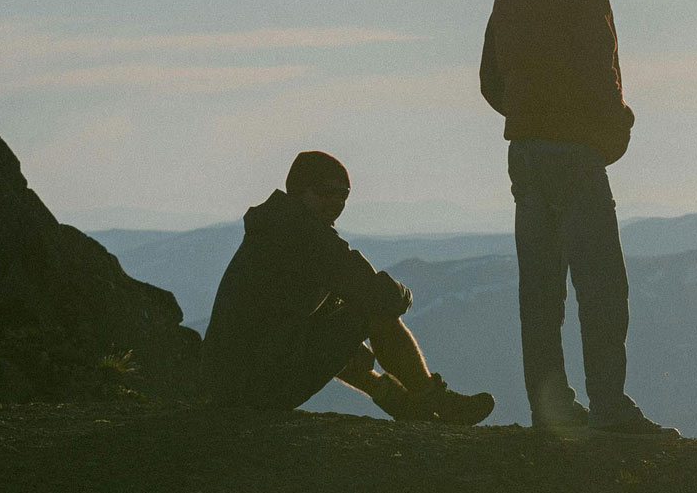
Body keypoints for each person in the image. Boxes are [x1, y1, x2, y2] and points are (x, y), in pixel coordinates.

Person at [480, 0, 676, 437]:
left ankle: (550, 408)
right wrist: (615, 130)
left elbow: (490, 81)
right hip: (574, 154)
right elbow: (601, 73)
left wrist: (528, 113)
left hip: (525, 153)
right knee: (601, 285)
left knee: (540, 290)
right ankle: (609, 405)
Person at [202, 149, 494, 423]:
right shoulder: (306, 237)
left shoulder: (276, 227)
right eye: (325, 192)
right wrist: (403, 294)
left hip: (229, 383)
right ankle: (432, 399)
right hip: (257, 387)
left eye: (343, 194)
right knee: (371, 312)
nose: (336, 202)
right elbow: (382, 297)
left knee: (344, 318)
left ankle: (398, 400)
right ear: (300, 191)